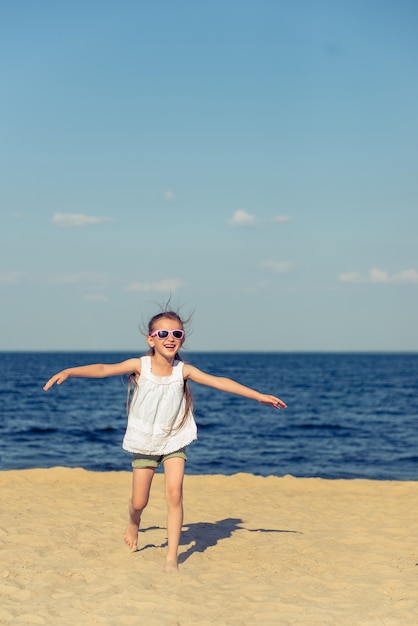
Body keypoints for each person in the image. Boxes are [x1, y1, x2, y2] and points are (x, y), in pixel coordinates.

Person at [43, 310, 287, 572]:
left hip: (174, 440)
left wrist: (258, 395)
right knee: (139, 502)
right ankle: (134, 523)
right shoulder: (141, 366)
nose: (170, 338)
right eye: (163, 334)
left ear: (182, 339)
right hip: (145, 441)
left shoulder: (184, 370)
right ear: (151, 339)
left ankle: (171, 557)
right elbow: (104, 369)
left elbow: (219, 382)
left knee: (175, 494)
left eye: (177, 334)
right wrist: (70, 371)